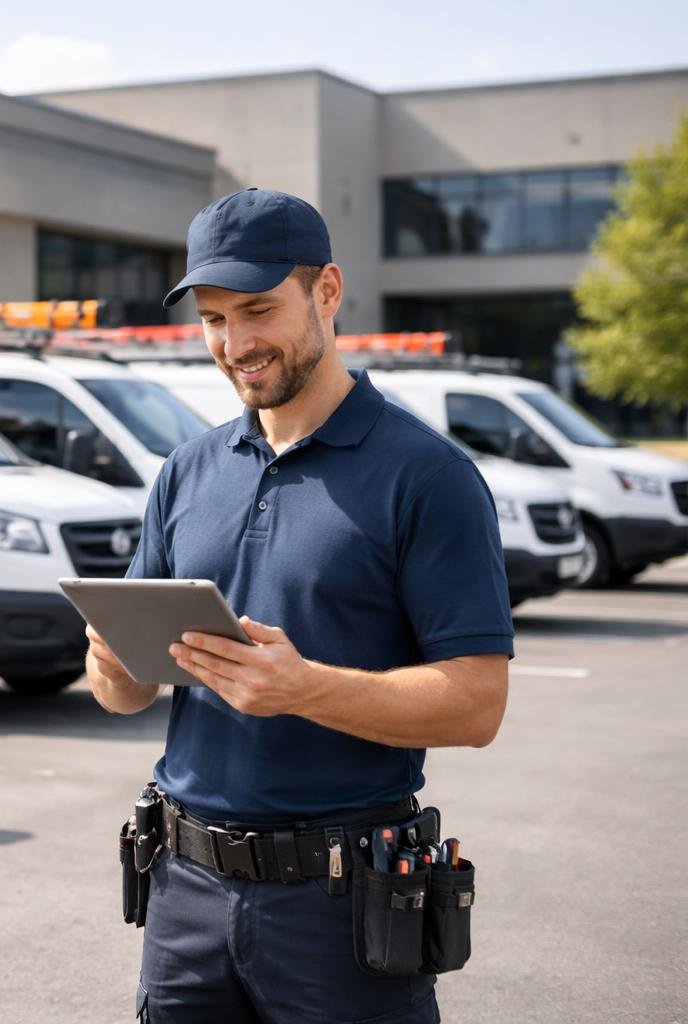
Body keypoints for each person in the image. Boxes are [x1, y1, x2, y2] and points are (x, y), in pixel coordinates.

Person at [86, 188, 512, 1024]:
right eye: (212, 319)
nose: (234, 343)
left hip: (341, 912)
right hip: (184, 900)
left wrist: (302, 687)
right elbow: (123, 693)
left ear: (326, 292)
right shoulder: (187, 472)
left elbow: (477, 703)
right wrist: (110, 661)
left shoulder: (427, 476)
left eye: (257, 309)